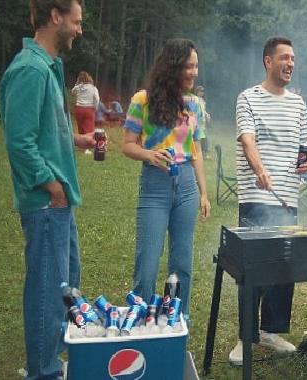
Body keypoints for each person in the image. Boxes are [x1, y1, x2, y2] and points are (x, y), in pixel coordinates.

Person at [0, 1, 93, 379]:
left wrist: (76, 141)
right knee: (47, 294)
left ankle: (51, 361)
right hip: (45, 202)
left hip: (58, 201)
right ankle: (43, 372)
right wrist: (52, 186)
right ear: (56, 17)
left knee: (65, 286)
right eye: (76, 21)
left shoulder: (50, 68)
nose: (79, 29)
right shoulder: (30, 70)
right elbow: (20, 142)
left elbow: (42, 131)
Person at [229, 36, 307, 366]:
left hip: (287, 197)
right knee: (253, 266)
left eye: (293, 58)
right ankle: (245, 337)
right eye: (284, 58)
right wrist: (260, 170)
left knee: (283, 268)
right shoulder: (248, 98)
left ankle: (270, 330)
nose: (290, 63)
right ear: (268, 61)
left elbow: (304, 151)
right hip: (256, 196)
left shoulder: (299, 105)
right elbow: (248, 141)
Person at [122, 38, 210, 325]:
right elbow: (127, 145)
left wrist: (204, 194)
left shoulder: (194, 105)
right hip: (155, 185)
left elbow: (195, 151)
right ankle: (140, 320)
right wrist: (150, 155)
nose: (194, 72)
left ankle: (177, 320)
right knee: (147, 262)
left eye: (196, 66)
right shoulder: (142, 100)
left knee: (182, 262)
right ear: (172, 67)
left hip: (186, 186)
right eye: (188, 66)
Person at [71, 71, 100, 143]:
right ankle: (87, 146)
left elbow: (72, 91)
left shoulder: (78, 87)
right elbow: (97, 99)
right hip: (89, 109)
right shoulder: (93, 88)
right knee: (89, 128)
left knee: (80, 126)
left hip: (79, 108)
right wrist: (95, 107)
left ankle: (81, 143)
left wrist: (77, 83)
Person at [194, 86, 211, 159]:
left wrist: (207, 114)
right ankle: (198, 154)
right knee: (198, 139)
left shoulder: (202, 100)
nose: (201, 93)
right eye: (200, 91)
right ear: (197, 92)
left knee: (204, 139)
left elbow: (203, 110)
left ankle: (204, 154)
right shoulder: (194, 100)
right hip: (197, 123)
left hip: (202, 123)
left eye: (202, 91)